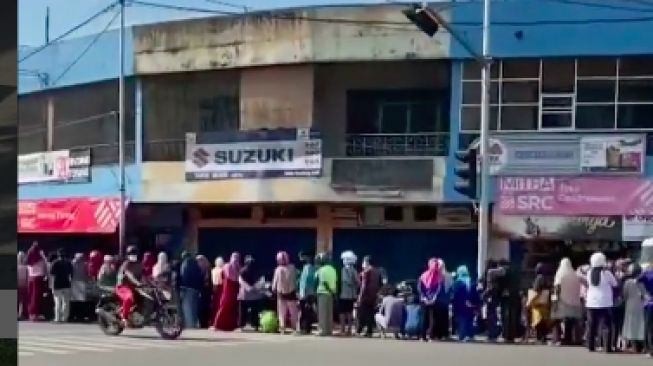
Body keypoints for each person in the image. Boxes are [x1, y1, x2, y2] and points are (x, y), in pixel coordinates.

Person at [585, 252, 617, 353]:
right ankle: (607, 347)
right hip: (604, 302)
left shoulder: (589, 273)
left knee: (591, 325)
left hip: (591, 302)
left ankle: (590, 346)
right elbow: (615, 284)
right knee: (606, 325)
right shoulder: (606, 273)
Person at [551, 258, 583, 346]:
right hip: (574, 302)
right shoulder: (575, 275)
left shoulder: (560, 274)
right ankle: (569, 339)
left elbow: (556, 288)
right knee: (571, 321)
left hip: (562, 301)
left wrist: (554, 300)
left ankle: (556, 339)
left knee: (556, 319)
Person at [272, 251, 299, 334]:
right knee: (293, 312)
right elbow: (296, 279)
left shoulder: (278, 269)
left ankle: (282, 329)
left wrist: (273, 289)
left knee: (282, 313)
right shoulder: (293, 268)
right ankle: (294, 328)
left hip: (281, 294)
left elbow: (274, 284)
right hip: (291, 293)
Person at [116, 246, 144, 325]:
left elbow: (145, 275)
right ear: (127, 255)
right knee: (129, 298)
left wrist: (154, 282)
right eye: (131, 254)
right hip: (123, 287)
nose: (133, 256)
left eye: (135, 254)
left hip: (135, 287)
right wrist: (137, 283)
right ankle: (124, 317)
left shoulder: (139, 264)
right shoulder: (126, 264)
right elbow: (129, 275)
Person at [213, 252, 241, 331]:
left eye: (237, 257)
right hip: (227, 289)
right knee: (224, 306)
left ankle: (230, 326)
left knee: (232, 308)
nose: (236, 259)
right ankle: (217, 324)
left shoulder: (237, 266)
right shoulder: (227, 266)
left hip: (234, 290)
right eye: (234, 257)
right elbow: (230, 277)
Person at [526, 262, 552, 344]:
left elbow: (537, 290)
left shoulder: (539, 278)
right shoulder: (548, 278)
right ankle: (543, 337)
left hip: (538, 303)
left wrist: (530, 301)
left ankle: (539, 337)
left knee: (538, 320)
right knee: (544, 321)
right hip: (546, 302)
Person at [451, 265, 479, 342]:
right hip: (471, 304)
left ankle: (462, 335)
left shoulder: (458, 282)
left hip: (461, 304)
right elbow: (476, 294)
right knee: (470, 319)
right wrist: (476, 305)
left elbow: (455, 295)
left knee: (462, 320)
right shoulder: (472, 281)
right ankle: (470, 335)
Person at [357, 255, 382, 337]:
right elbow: (380, 284)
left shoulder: (366, 272)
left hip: (366, 296)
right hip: (373, 296)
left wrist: (360, 296)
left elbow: (363, 285)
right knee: (370, 313)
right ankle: (369, 331)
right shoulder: (378, 272)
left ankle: (359, 329)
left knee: (361, 313)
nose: (363, 263)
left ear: (367, 262)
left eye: (363, 262)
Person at [622, 263, 645, 353]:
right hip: (641, 305)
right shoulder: (643, 282)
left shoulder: (627, 282)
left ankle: (634, 347)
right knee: (641, 325)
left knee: (631, 326)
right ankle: (644, 347)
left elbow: (624, 295)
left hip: (630, 306)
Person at [238, 255, 264, 331]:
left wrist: (249, 288)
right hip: (254, 294)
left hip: (245, 294)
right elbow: (261, 280)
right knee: (254, 311)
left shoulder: (242, 270)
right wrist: (255, 287)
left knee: (243, 310)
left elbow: (240, 280)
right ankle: (255, 325)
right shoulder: (258, 270)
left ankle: (241, 326)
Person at [178, 251, 204, 329]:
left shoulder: (185, 263)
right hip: (196, 289)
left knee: (187, 307)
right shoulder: (196, 264)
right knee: (194, 307)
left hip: (187, 288)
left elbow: (184, 276)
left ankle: (190, 325)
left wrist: (182, 287)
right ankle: (195, 324)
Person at [418, 258, 442, 341]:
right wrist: (426, 298)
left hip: (432, 300)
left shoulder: (437, 276)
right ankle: (423, 336)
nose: (435, 267)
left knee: (432, 319)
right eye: (434, 265)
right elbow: (420, 288)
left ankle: (430, 335)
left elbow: (438, 289)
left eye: (436, 265)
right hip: (427, 300)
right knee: (425, 318)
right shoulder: (424, 276)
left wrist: (433, 298)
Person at [314, 253, 337, 336]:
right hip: (331, 294)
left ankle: (323, 331)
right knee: (329, 313)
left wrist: (329, 290)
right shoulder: (333, 269)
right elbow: (335, 282)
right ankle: (329, 330)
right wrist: (333, 292)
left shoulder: (321, 270)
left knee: (322, 313)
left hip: (323, 293)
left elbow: (324, 282)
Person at [49, 249, 73, 323]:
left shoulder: (55, 263)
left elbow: (52, 275)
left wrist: (52, 286)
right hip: (66, 284)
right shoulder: (68, 263)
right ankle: (65, 318)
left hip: (57, 284)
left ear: (58, 255)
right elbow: (71, 275)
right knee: (66, 302)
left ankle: (57, 318)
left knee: (57, 302)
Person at [339, 250, 359, 336]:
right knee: (349, 312)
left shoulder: (343, 269)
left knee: (342, 312)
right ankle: (350, 329)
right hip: (351, 295)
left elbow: (344, 280)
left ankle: (342, 329)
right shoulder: (354, 270)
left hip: (343, 294)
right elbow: (358, 282)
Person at [26, 242, 47, 321]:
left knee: (31, 296)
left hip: (30, 278)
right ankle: (36, 314)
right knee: (36, 297)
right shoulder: (40, 259)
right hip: (38, 278)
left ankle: (31, 313)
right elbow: (45, 266)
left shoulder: (29, 258)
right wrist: (43, 255)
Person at [297, 251, 317, 334]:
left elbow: (305, 282)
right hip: (311, 293)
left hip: (306, 294)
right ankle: (307, 328)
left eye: (303, 257)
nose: (301, 259)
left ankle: (304, 329)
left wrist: (302, 294)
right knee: (308, 311)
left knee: (304, 312)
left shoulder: (307, 268)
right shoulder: (313, 268)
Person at [434, 259, 452, 340]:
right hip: (445, 300)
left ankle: (437, 334)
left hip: (437, 300)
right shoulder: (448, 275)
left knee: (437, 317)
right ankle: (444, 334)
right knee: (444, 317)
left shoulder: (436, 275)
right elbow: (451, 288)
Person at [196, 254, 213, 328]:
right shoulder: (199, 269)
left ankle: (205, 323)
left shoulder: (208, 269)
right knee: (201, 308)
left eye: (200, 260)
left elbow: (209, 281)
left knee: (205, 307)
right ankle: (203, 323)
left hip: (206, 291)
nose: (198, 262)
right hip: (202, 291)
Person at [210, 257, 225, 322]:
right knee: (220, 304)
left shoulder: (213, 270)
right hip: (221, 288)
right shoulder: (223, 270)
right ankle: (219, 319)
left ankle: (213, 320)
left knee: (215, 304)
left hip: (214, 287)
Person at [17, 252, 29, 320]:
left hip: (19, 285)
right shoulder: (26, 267)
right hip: (24, 285)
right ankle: (22, 314)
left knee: (19, 301)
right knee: (23, 301)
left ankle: (19, 314)